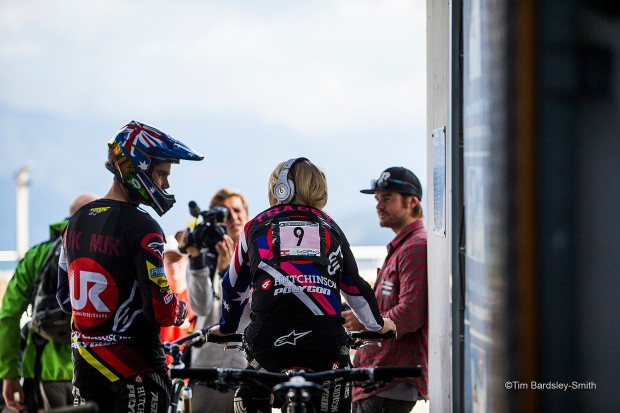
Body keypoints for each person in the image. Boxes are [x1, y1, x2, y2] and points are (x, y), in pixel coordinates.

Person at [209, 158, 396, 413]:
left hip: (267, 342)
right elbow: (354, 287)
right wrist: (378, 325)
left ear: (280, 190)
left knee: (251, 388)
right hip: (325, 343)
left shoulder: (254, 227)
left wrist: (227, 327)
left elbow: (233, 287)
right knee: (338, 386)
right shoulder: (331, 227)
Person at [56, 120, 203, 412]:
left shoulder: (75, 221)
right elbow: (161, 310)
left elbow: (64, 299)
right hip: (136, 370)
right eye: (161, 174)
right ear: (138, 168)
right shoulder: (145, 227)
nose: (166, 184)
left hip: (85, 369)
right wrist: (180, 310)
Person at [0, 193, 99, 412]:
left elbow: (8, 315)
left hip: (44, 369)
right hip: (97, 368)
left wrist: (9, 374)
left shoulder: (37, 255)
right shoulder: (108, 251)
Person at [343, 166, 428, 413]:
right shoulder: (404, 245)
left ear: (412, 202)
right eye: (377, 199)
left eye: (387, 199)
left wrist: (364, 322)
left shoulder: (416, 247)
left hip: (389, 382)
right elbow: (387, 304)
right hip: (379, 380)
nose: (379, 206)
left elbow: (411, 313)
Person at [181, 188, 251, 413]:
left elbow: (254, 307)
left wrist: (227, 274)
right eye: (226, 213)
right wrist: (196, 258)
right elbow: (200, 307)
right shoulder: (204, 254)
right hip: (204, 368)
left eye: (237, 211)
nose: (233, 218)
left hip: (242, 367)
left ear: (247, 216)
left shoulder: (256, 256)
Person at [159, 237, 196, 366]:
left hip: (191, 371)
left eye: (178, 259)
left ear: (187, 261)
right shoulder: (155, 300)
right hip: (162, 370)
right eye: (169, 260)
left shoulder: (198, 300)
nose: (174, 265)